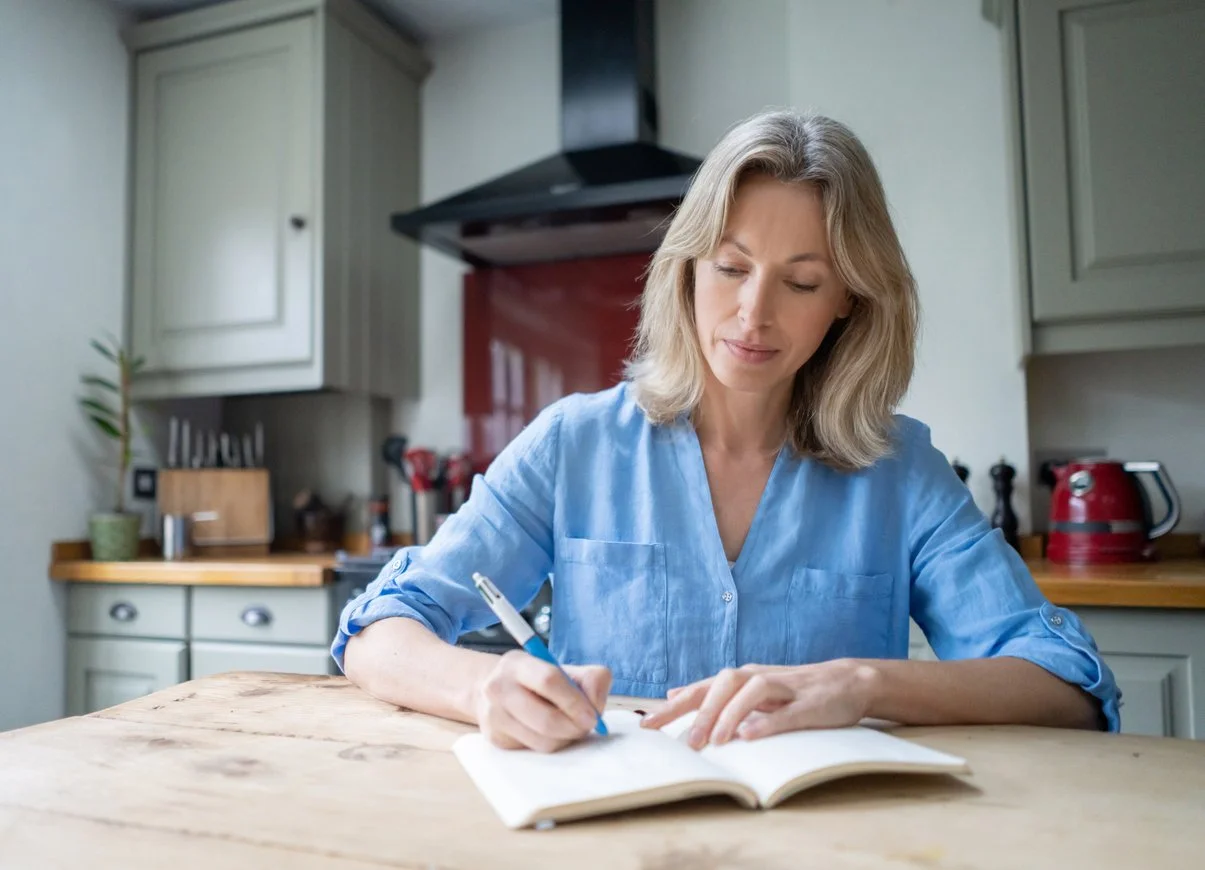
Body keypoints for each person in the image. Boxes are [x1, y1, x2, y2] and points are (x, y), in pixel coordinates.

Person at [333, 110, 1120, 753]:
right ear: (687, 267)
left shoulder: (900, 470)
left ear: (848, 297)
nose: (753, 315)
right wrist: (483, 687)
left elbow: (1066, 684)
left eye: (802, 281)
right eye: (731, 267)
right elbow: (375, 630)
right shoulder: (571, 446)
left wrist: (856, 685)